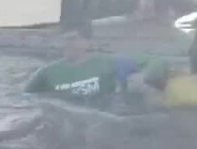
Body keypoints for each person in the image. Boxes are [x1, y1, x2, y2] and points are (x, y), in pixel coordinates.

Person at [24, 23, 166, 97]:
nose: (67, 44)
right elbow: (22, 101)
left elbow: (156, 61)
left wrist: (145, 77)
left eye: (73, 39)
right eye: (63, 40)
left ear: (88, 42)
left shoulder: (108, 63)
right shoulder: (46, 73)